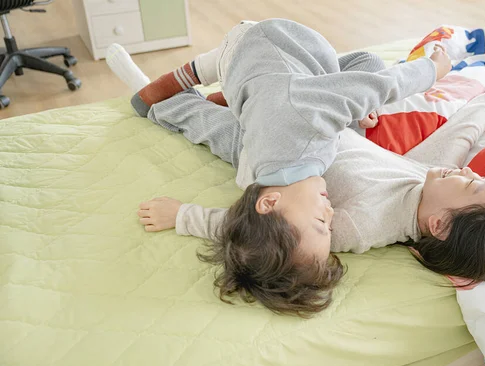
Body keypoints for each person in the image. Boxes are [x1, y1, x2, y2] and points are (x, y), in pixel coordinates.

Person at [108, 18, 452, 316]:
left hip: (274, 62)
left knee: (205, 123)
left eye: (321, 221)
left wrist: (431, 70)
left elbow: (381, 86)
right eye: (329, 226)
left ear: (268, 202)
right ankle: (241, 93)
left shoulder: (293, 135)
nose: (332, 212)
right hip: (279, 68)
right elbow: (247, 229)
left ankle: (173, 99)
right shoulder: (262, 189)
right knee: (367, 65)